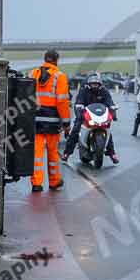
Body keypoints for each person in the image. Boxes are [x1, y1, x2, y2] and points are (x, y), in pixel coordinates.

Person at [31, 49, 71, 192]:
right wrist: (66, 123)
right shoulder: (59, 76)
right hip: (52, 122)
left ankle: (36, 183)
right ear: (56, 60)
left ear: (45, 59)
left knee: (37, 153)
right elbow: (62, 102)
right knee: (53, 152)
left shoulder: (33, 74)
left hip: (35, 120)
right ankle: (54, 181)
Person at [62, 72, 120, 164]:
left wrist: (113, 108)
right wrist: (79, 108)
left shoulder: (104, 91)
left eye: (96, 84)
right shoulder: (84, 91)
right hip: (85, 115)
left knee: (107, 129)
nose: (95, 85)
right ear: (89, 84)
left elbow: (109, 102)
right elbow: (79, 101)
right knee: (75, 129)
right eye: (93, 84)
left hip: (100, 115)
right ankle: (67, 153)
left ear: (99, 84)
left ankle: (112, 154)